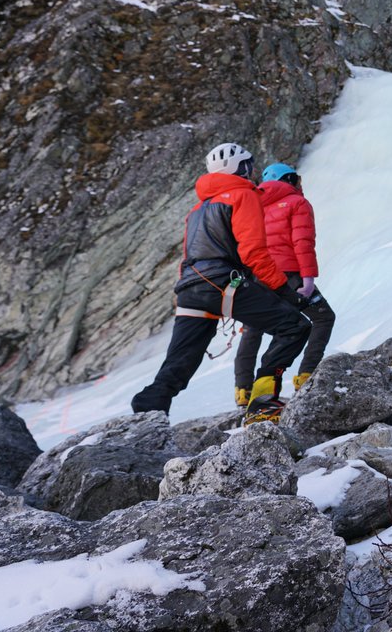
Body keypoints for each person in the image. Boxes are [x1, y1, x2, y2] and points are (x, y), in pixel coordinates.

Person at [132, 144, 310, 425]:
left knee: (183, 357)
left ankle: (148, 409)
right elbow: (253, 252)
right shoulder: (243, 195)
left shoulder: (198, 208)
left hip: (190, 288)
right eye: (248, 164)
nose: (252, 170)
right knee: (295, 326)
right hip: (222, 284)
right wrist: (282, 289)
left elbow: (191, 252)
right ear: (239, 168)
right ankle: (263, 402)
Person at [232, 163, 335, 407]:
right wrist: (308, 278)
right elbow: (302, 242)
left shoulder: (252, 204)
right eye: (297, 179)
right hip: (289, 274)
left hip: (258, 275)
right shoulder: (296, 202)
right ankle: (307, 375)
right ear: (288, 179)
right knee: (322, 318)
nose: (300, 183)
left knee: (253, 328)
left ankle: (244, 389)